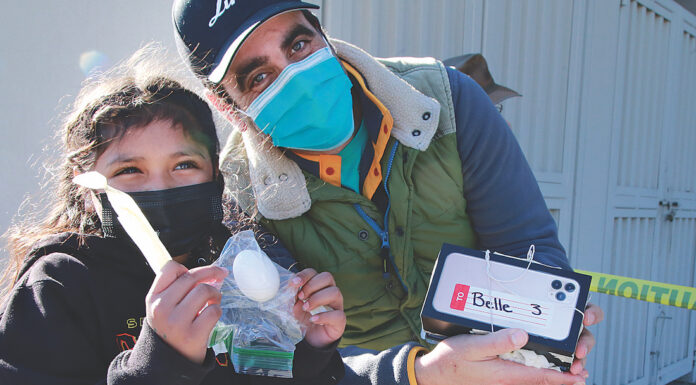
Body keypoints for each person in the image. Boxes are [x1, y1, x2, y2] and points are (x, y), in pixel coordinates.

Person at [172, 1, 603, 384]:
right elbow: (284, 361)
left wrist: (545, 326)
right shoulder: (238, 196)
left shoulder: (446, 100)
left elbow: (527, 248)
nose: (297, 79)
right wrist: (420, 374)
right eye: (260, 76)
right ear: (227, 106)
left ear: (323, 35)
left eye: (299, 45)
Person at [0, 48, 346, 385]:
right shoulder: (59, 285)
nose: (159, 188)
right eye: (129, 170)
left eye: (184, 165)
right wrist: (163, 361)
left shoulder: (236, 268)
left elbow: (262, 372)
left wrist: (309, 352)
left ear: (215, 177)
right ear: (89, 193)